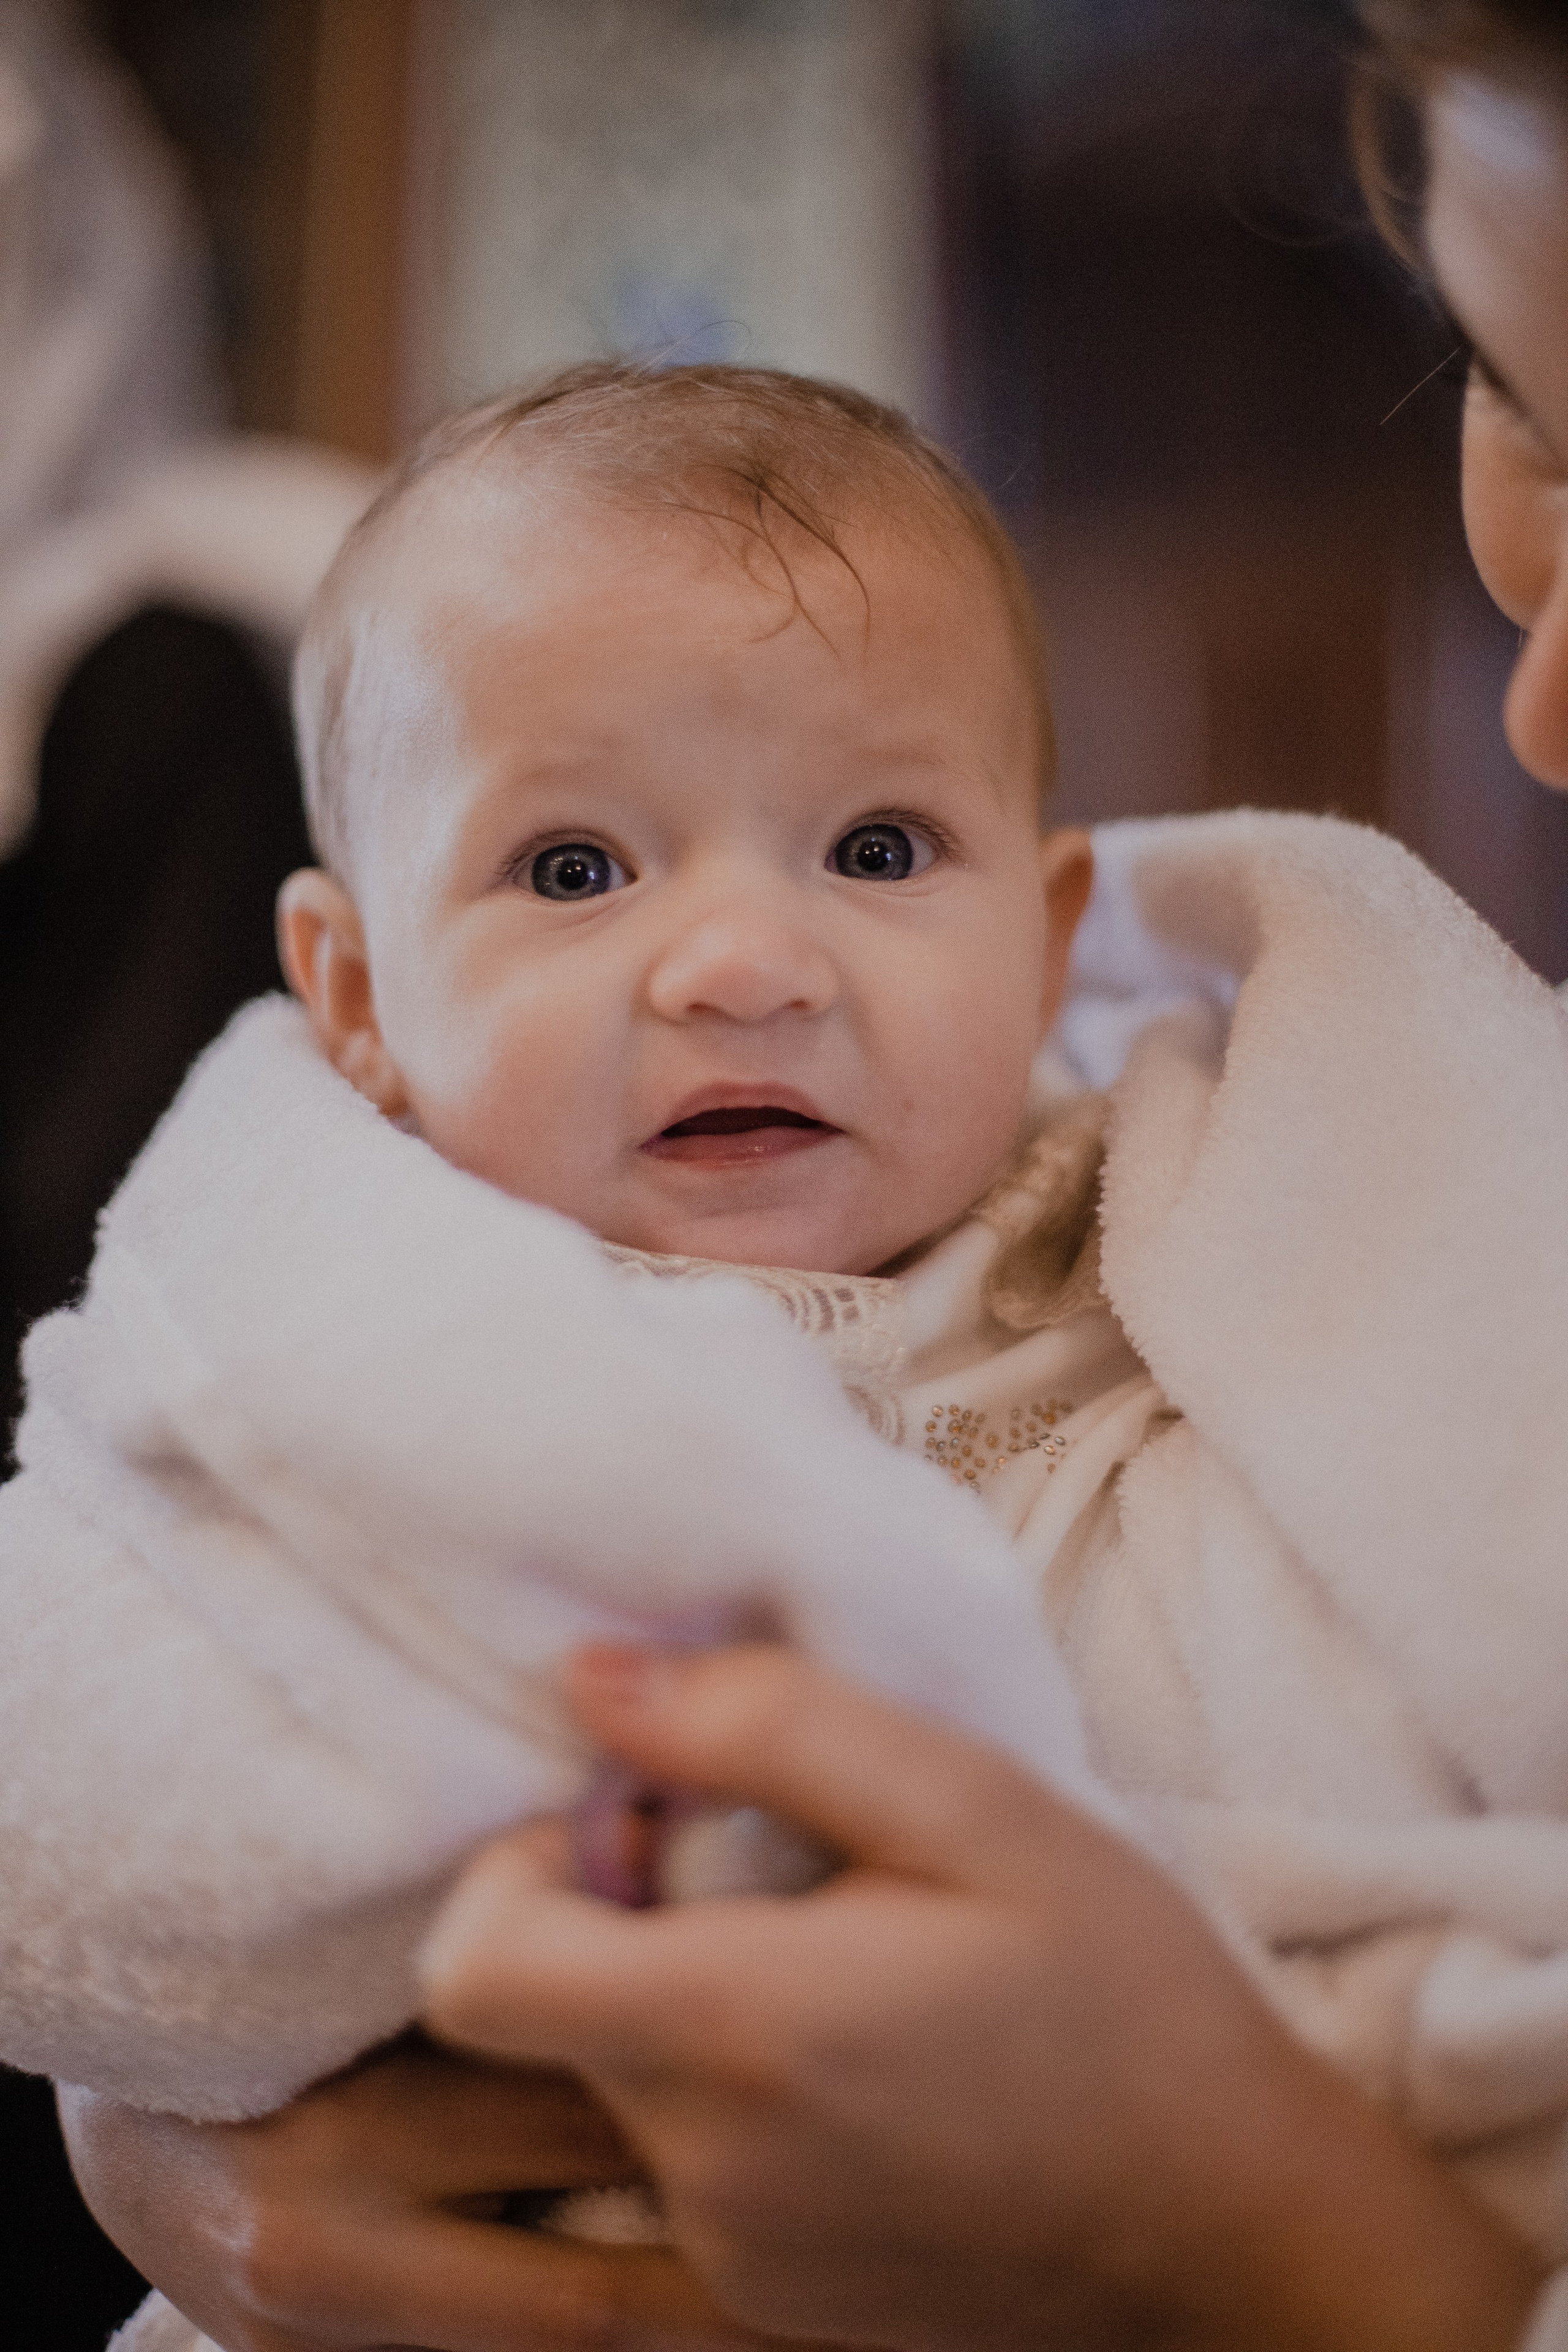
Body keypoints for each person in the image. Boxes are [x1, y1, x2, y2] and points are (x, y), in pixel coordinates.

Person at [52, 6, 1568, 2348]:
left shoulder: (1182, 1243)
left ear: (1050, 931)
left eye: (880, 846)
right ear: (352, 1000)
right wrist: (173, 2070)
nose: (748, 962)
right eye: (572, 866)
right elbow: (104, 1783)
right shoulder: (316, 1343)